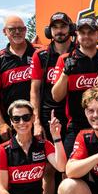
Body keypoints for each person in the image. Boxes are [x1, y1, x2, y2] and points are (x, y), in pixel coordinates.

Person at [51, 17, 98, 158]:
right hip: (76, 126)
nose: (86, 36)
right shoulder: (65, 59)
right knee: (68, 170)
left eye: (91, 32)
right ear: (76, 35)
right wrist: (65, 74)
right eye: (82, 32)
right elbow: (56, 96)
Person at [0, 16, 39, 143]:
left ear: (26, 30)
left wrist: (37, 121)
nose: (17, 32)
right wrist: (1, 123)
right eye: (12, 29)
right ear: (4, 32)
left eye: (20, 29)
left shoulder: (39, 51)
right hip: (14, 121)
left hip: (39, 120)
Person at [31, 12, 75, 142]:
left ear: (71, 29)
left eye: (63, 26)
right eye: (55, 27)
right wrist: (36, 122)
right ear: (49, 31)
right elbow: (34, 91)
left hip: (76, 115)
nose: (59, 31)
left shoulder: (78, 52)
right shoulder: (40, 55)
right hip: (50, 116)